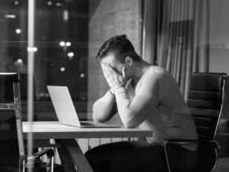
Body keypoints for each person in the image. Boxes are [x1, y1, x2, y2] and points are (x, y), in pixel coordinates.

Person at [85, 35, 198, 172]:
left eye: (112, 68)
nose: (110, 75)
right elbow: (98, 116)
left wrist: (118, 88)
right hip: (156, 146)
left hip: (178, 151)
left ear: (128, 61)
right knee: (93, 157)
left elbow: (130, 120)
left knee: (108, 163)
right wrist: (114, 90)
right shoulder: (128, 81)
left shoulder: (155, 76)